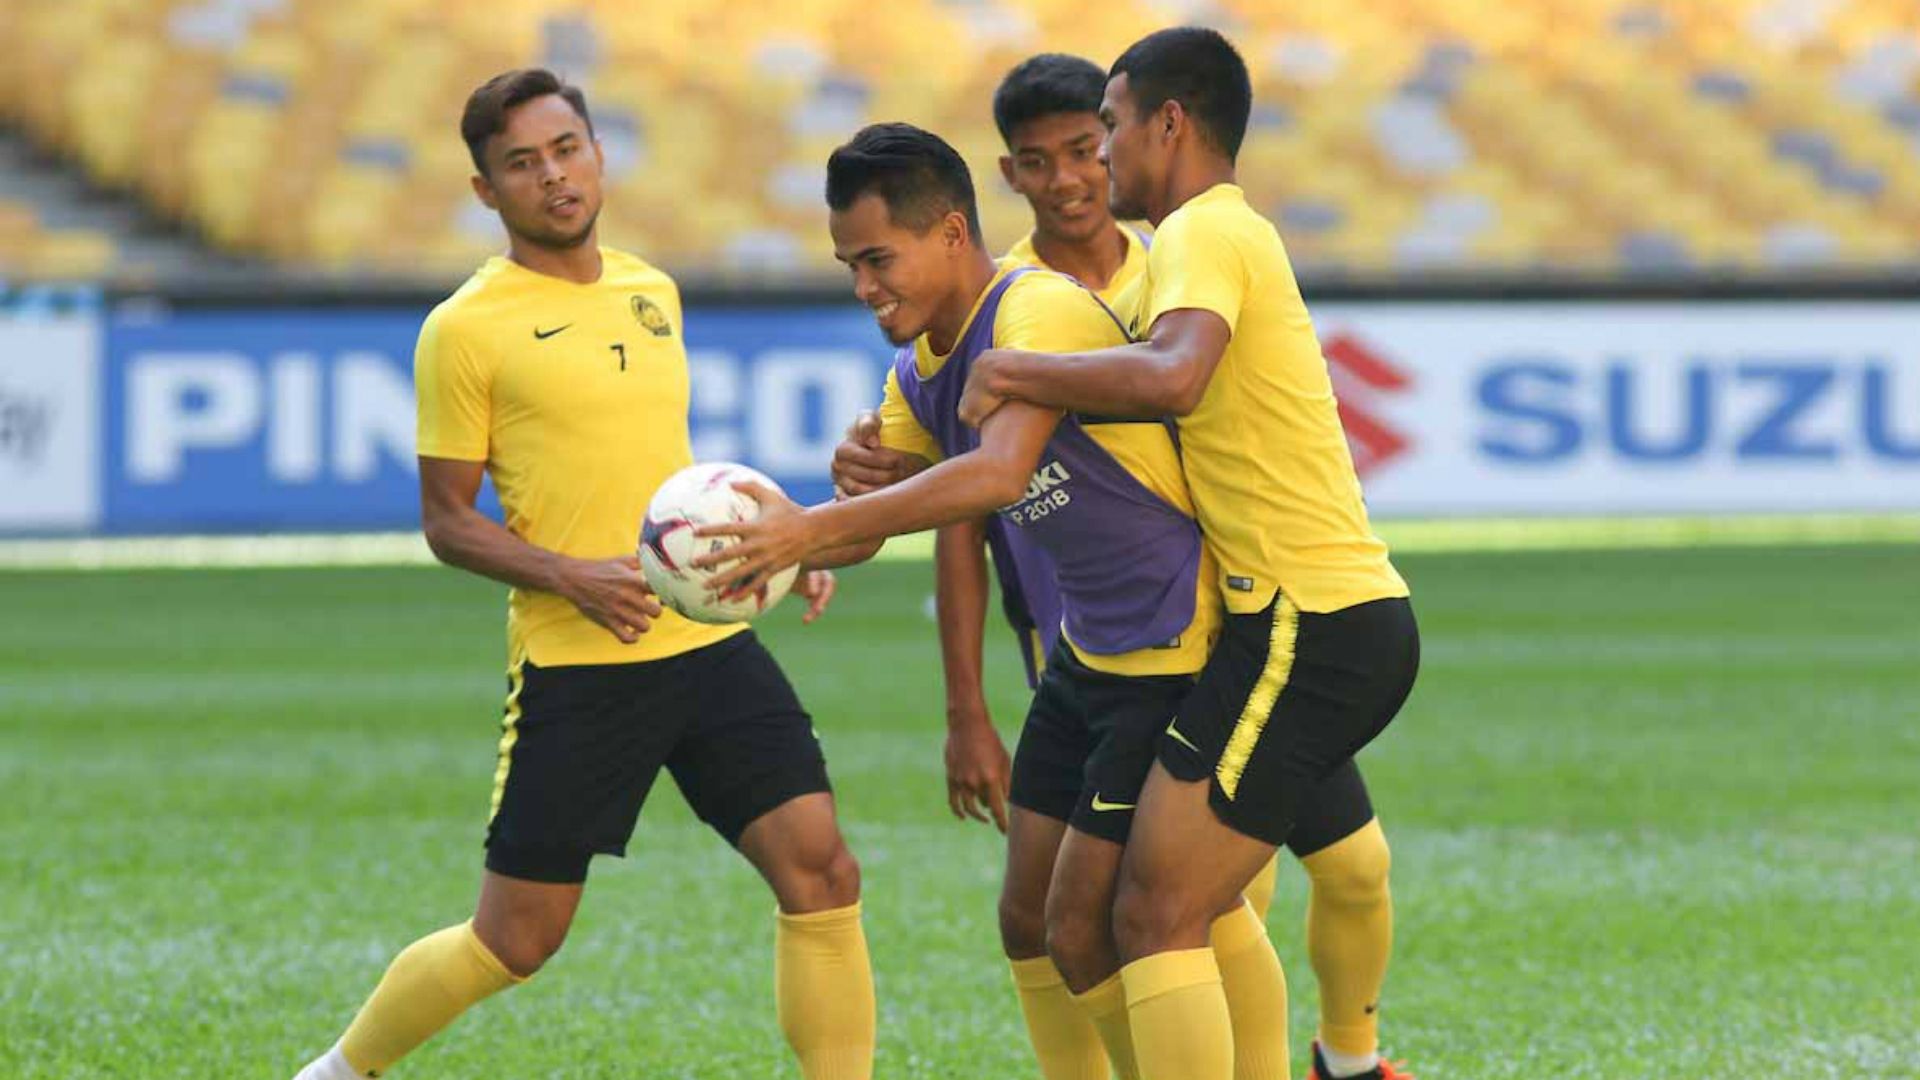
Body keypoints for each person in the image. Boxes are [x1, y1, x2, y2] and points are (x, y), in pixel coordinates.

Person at [290, 68, 874, 1080]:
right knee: (516, 940)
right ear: (487, 192)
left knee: (820, 869)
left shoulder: (655, 291)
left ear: (598, 154)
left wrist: (776, 554)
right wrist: (571, 578)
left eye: (566, 150)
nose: (552, 176)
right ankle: (336, 1073)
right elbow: (445, 524)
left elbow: (669, 486)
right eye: (522, 163)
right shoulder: (464, 329)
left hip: (708, 646)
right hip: (579, 663)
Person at [835, 52, 1408, 1080]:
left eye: (1105, 125)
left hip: (1281, 619)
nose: (1088, 159)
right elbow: (973, 441)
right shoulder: (1138, 265)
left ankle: (1351, 1059)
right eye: (1047, 153)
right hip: (1204, 627)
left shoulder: (1200, 234)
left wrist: (1017, 374)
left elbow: (1169, 378)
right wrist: (868, 473)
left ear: (1168, 124)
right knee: (1121, 915)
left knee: (1181, 906)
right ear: (1005, 176)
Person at [695, 121, 1291, 1080]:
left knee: (1136, 919)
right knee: (1033, 921)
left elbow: (996, 476)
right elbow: (885, 508)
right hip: (1089, 657)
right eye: (849, 265)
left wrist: (809, 527)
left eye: (878, 259)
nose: (863, 287)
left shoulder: (1035, 315)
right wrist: (797, 543)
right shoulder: (914, 370)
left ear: (951, 234)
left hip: (1177, 645)